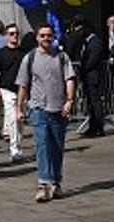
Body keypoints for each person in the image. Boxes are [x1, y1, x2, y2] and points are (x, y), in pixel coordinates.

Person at [16, 25, 76, 202]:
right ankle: (43, 184)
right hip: (39, 108)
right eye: (42, 35)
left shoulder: (62, 57)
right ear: (37, 37)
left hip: (58, 108)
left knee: (57, 146)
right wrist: (19, 108)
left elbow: (69, 79)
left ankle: (56, 182)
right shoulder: (30, 58)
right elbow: (23, 84)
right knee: (42, 146)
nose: (46, 38)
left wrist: (69, 100)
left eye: (49, 35)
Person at [0, 24, 29, 162]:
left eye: (17, 33)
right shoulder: (1, 53)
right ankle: (15, 148)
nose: (15, 36)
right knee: (13, 118)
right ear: (7, 35)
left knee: (20, 120)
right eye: (12, 33)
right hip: (7, 90)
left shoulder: (24, 53)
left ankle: (17, 144)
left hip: (21, 90)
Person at [78, 19, 109, 137]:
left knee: (95, 102)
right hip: (87, 77)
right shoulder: (86, 42)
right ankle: (92, 126)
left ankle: (98, 127)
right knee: (90, 103)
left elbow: (93, 60)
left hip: (93, 76)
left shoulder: (95, 42)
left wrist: (84, 68)